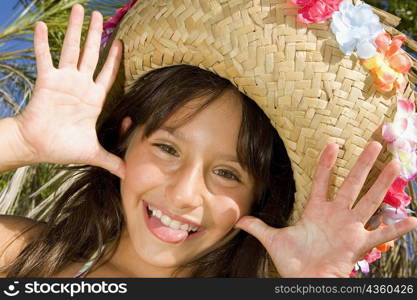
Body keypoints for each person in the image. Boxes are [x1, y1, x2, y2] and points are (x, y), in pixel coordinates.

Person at [0, 3, 416, 278]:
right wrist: (21, 139)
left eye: (226, 173)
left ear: (261, 198)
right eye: (167, 148)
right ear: (125, 138)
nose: (182, 195)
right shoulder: (28, 255)